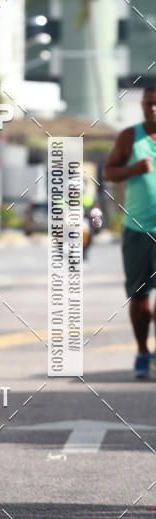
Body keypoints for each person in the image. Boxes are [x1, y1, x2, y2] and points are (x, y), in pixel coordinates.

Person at [104, 85, 156, 378]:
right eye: (149, 104)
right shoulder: (129, 137)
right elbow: (108, 172)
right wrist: (133, 170)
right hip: (136, 228)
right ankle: (142, 351)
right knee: (139, 299)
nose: (153, 109)